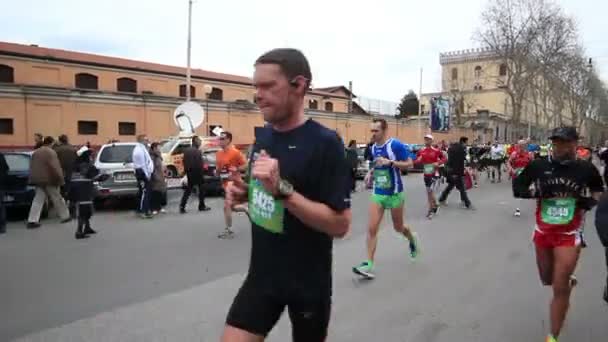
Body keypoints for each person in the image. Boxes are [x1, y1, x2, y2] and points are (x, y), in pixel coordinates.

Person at [221, 48, 351, 342]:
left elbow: (340, 225)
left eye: (268, 86)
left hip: (308, 284)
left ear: (299, 85)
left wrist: (283, 193)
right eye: (256, 86)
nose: (258, 94)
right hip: (262, 277)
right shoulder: (264, 136)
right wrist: (247, 195)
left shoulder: (325, 144)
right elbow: (267, 198)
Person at [513, 126, 604, 342]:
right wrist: (535, 192)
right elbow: (519, 186)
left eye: (564, 143)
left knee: (559, 287)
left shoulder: (585, 169)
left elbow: (598, 192)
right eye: (556, 143)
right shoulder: (539, 165)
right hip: (543, 231)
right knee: (547, 278)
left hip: (569, 232)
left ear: (575, 144)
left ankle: (552, 337)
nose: (559, 147)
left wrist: (587, 201)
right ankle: (564, 281)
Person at [352, 118, 420, 279]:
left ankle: (411, 239)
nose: (373, 134)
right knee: (372, 229)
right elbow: (377, 164)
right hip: (379, 193)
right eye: (372, 131)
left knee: (399, 227)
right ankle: (368, 263)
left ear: (384, 131)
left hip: (395, 193)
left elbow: (410, 163)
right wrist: (370, 173)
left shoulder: (394, 145)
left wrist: (391, 163)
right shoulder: (374, 147)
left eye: (376, 131)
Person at [26, 136, 71, 228]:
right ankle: (65, 216)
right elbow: (55, 167)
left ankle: (32, 220)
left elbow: (32, 167)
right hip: (50, 180)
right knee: (57, 198)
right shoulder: (51, 152)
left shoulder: (36, 152)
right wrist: (60, 179)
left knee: (38, 200)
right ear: (51, 143)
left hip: (38, 180)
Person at [216, 131, 246, 238]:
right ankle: (246, 209)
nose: (220, 140)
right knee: (231, 207)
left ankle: (229, 230)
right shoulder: (218, 154)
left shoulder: (236, 152)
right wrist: (217, 172)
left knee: (227, 206)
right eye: (219, 138)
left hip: (234, 183)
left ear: (228, 140)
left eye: (222, 138)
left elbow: (245, 166)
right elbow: (218, 169)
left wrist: (236, 168)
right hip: (225, 183)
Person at [69, 146, 103, 239]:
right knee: (84, 210)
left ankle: (87, 227)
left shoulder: (75, 164)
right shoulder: (86, 165)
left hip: (76, 189)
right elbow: (95, 176)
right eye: (90, 155)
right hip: (84, 189)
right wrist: (104, 177)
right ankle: (79, 231)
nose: (91, 157)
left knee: (85, 209)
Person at [414, 134, 446, 219]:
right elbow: (416, 161)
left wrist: (437, 163)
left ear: (432, 141)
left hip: (434, 173)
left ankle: (430, 210)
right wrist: (418, 160)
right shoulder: (421, 151)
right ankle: (435, 205)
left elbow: (444, 159)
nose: (426, 141)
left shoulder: (436, 150)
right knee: (429, 191)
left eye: (428, 139)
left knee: (430, 192)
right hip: (426, 173)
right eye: (425, 139)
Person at [438, 137, 474, 209]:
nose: (466, 144)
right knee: (462, 188)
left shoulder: (452, 148)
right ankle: (467, 203)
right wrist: (462, 170)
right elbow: (460, 162)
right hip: (456, 171)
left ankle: (441, 199)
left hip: (449, 170)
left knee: (451, 186)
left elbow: (450, 160)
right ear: (463, 142)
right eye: (466, 143)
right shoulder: (461, 150)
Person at [180, 136, 210, 213]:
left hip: (190, 173)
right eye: (199, 141)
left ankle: (182, 206)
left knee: (188, 190)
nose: (200, 143)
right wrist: (202, 172)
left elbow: (184, 162)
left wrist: (186, 172)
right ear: (195, 141)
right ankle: (201, 206)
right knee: (201, 189)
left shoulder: (186, 151)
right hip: (198, 173)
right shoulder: (197, 151)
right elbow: (199, 164)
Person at [508, 139, 533, 217]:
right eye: (520, 145)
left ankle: (517, 209)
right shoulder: (514, 154)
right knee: (516, 192)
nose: (521, 147)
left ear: (526, 146)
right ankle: (518, 204)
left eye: (523, 145)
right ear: (517, 146)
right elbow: (509, 162)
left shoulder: (529, 154)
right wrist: (511, 169)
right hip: (515, 174)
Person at [54, 134, 78, 216]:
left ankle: (63, 212)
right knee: (72, 193)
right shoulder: (73, 148)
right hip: (71, 173)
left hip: (60, 173)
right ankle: (73, 211)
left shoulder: (56, 149)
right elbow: (76, 161)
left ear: (60, 141)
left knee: (61, 193)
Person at [132, 134, 154, 218]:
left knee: (144, 192)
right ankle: (143, 211)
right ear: (141, 140)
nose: (147, 141)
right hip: (142, 172)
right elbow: (142, 164)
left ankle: (144, 209)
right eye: (146, 139)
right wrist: (147, 174)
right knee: (145, 192)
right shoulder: (139, 150)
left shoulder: (142, 148)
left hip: (143, 172)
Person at [149, 142, 167, 215]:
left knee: (160, 192)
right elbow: (152, 167)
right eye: (158, 147)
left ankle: (159, 207)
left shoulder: (159, 155)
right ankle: (154, 208)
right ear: (154, 148)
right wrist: (155, 175)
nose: (160, 149)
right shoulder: (152, 156)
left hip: (160, 175)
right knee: (155, 192)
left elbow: (161, 165)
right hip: (155, 176)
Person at [0, 152, 8, 234]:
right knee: (1, 205)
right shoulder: (1, 155)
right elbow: (6, 168)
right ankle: (2, 226)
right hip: (1, 184)